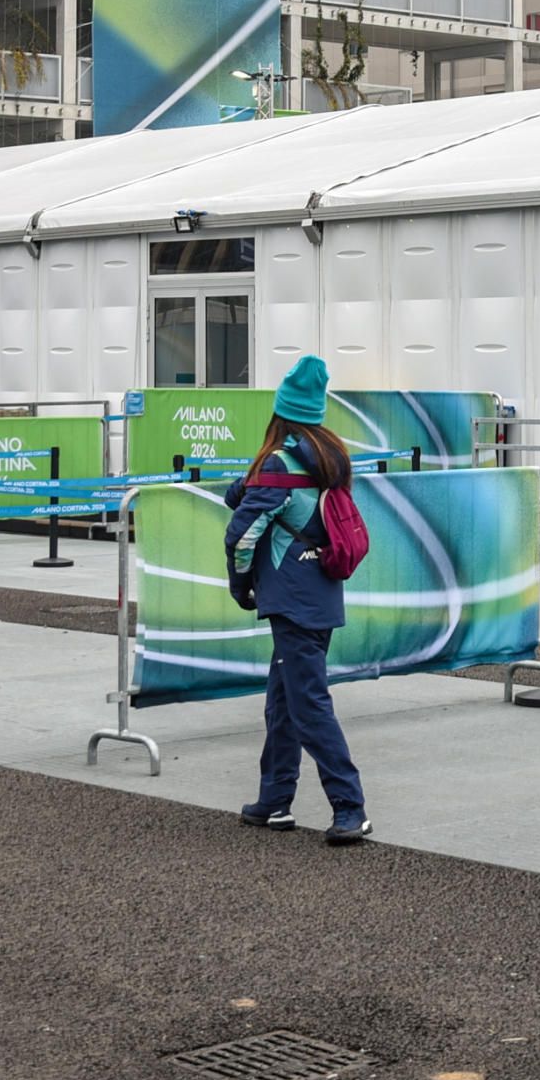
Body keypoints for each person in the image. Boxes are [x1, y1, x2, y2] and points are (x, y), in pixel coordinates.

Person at [225, 355, 369, 846]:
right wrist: (246, 488)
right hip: (321, 592)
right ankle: (275, 799)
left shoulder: (279, 461)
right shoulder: (329, 455)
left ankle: (351, 806)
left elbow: (241, 536)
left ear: (280, 413)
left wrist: (240, 584)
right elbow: (267, 499)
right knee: (283, 701)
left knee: (307, 704)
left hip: (291, 597)